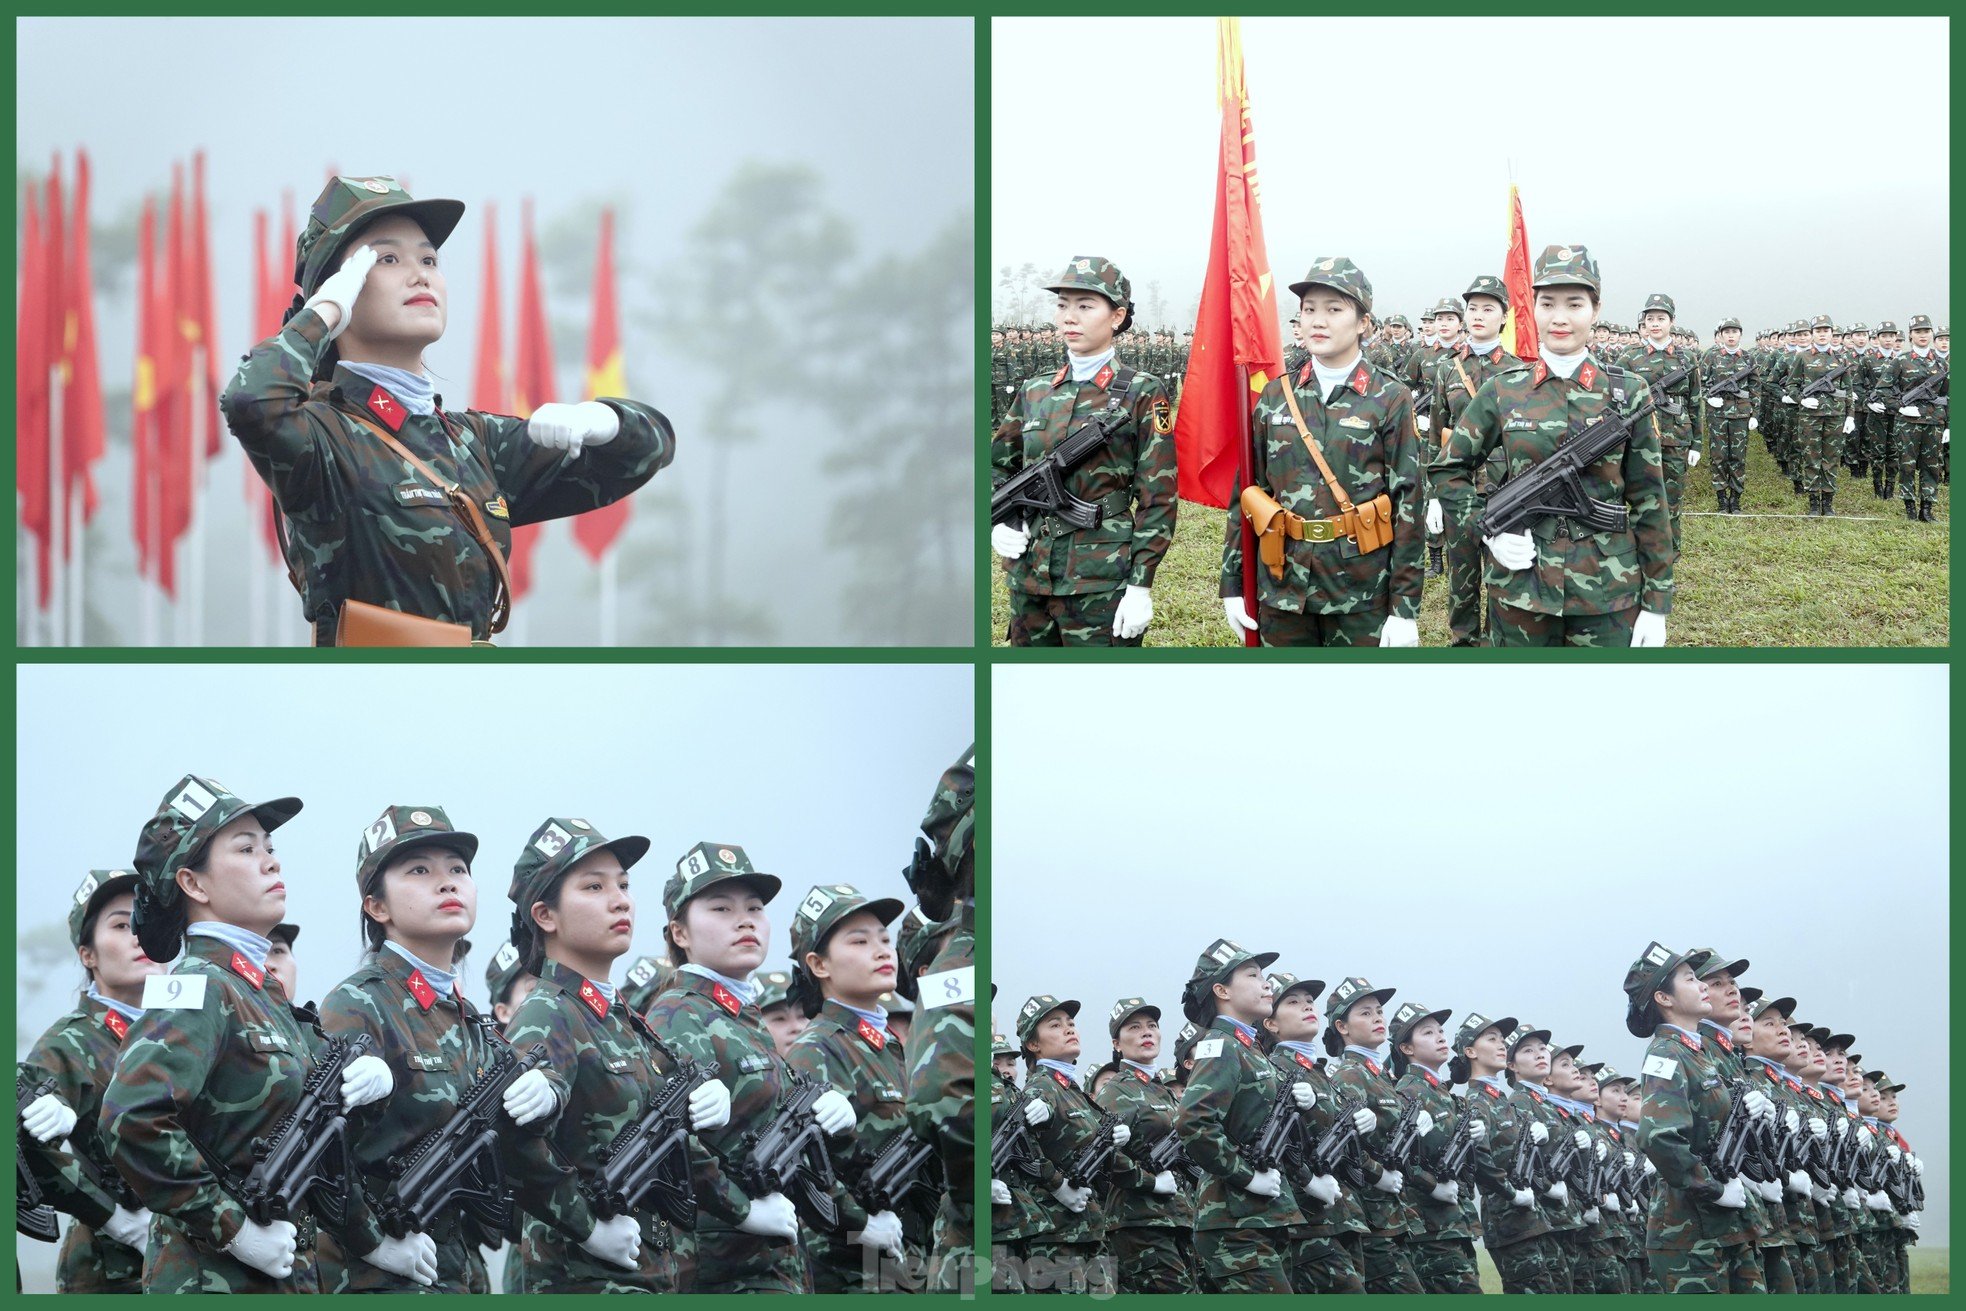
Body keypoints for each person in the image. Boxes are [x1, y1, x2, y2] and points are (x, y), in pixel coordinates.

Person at [221, 175, 676, 645]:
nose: (420, 274)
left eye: (429, 259)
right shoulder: (322, 437)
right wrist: (322, 314)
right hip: (370, 697)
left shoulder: (471, 442)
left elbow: (646, 452)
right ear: (342, 289)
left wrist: (601, 420)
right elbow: (250, 401)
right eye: (387, 259)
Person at [103, 776, 397, 1292]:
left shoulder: (259, 991)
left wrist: (366, 1083)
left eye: (270, 847)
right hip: (211, 1278)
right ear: (194, 884)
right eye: (246, 849)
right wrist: (231, 1226)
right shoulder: (198, 986)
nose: (271, 861)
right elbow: (132, 1118)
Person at [500, 818, 738, 1292]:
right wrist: (585, 1223)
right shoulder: (549, 1012)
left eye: (624, 885)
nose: (620, 900)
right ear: (545, 916)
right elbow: (512, 1143)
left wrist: (742, 1205)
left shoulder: (619, 1017)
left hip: (648, 1273)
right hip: (581, 1278)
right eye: (594, 886)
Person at [314, 806, 529, 1292]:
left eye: (457, 869)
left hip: (461, 1270)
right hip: (380, 1277)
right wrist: (372, 1239)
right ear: (377, 906)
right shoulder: (359, 1002)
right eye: (419, 871)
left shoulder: (467, 1015)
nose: (448, 882)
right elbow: (319, 1151)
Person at [1433, 244, 1673, 647]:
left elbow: (1650, 498)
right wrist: (1488, 530)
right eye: (1547, 303)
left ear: (1595, 311)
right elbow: (1448, 468)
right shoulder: (1503, 390)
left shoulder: (1628, 393)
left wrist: (1657, 602)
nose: (1560, 318)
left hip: (1608, 592)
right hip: (1520, 589)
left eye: (1575, 304)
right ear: (1533, 309)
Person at [644, 842, 848, 1292]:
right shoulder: (678, 1015)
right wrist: (742, 1208)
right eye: (720, 908)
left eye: (755, 907)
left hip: (771, 1260)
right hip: (723, 1266)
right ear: (680, 933)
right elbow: (668, 1143)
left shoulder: (741, 1016)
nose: (745, 920)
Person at [1220, 258, 1422, 647]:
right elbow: (1247, 492)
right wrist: (1232, 581)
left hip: (1360, 589)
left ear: (1363, 322)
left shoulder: (1390, 397)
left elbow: (1408, 502)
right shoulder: (1277, 395)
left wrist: (1405, 608)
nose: (1317, 321)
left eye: (1333, 309)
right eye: (1309, 310)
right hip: (1282, 584)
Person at [990, 256, 1177, 646]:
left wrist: (1141, 585)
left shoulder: (1141, 391)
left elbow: (1157, 495)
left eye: (1085, 306)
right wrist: (998, 521)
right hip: (1029, 576)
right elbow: (995, 466)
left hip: (1100, 579)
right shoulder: (1035, 390)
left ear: (1117, 316)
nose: (1069, 317)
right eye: (1062, 305)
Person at [19, 871, 163, 1292]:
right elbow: (20, 1143)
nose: (140, 934)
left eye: (146, 920)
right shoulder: (70, 1043)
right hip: (114, 1274)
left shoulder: (190, 1029)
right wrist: (117, 1220)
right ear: (89, 955)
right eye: (121, 925)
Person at [781, 883, 913, 1292]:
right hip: (848, 1267)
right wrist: (861, 1221)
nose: (881, 950)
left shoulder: (890, 1044)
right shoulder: (816, 1049)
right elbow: (797, 1162)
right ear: (820, 965)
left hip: (908, 1254)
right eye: (860, 941)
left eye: (885, 939)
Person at [1623, 941, 1772, 1292]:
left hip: (1725, 1225)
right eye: (1691, 979)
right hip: (1689, 1233)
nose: (1704, 985)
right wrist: (1714, 1187)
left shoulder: (1699, 1053)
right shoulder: (1667, 1053)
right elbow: (1658, 1136)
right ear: (1665, 998)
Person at [1174, 941, 1303, 1293]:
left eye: (1264, 976)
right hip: (1234, 1222)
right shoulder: (1220, 1045)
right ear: (1221, 990)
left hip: (1258, 1216)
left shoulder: (1250, 1048)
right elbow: (1193, 1121)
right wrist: (1246, 1176)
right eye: (1253, 975)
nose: (1267, 984)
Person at [1261, 972, 1370, 1294]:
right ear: (1271, 1024)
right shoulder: (1273, 1071)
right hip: (1306, 1221)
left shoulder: (1322, 1076)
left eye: (1309, 1001)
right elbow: (1268, 1144)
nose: (1307, 1007)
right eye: (1293, 1003)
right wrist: (1308, 1179)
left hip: (1342, 1214)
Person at [1426, 275, 1521, 644]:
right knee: (1461, 578)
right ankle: (1463, 645)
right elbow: (1435, 434)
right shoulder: (1447, 369)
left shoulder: (1517, 371)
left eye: (1488, 308)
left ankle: (1497, 643)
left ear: (1503, 317)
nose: (1478, 315)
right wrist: (1433, 493)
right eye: (1473, 308)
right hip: (1458, 489)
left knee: (1502, 574)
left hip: (1505, 488)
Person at [1010, 995, 1118, 1293]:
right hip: (1057, 1233)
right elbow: (1019, 1149)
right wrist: (1057, 1184)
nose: (1069, 1028)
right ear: (1033, 1044)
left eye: (1071, 1023)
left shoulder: (1070, 1088)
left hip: (1089, 1227)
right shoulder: (1042, 1087)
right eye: (1055, 1025)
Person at [1091, 997, 1197, 1293]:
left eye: (1152, 1026)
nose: (1146, 1032)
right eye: (1134, 1028)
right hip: (1138, 1221)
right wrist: (1149, 1182)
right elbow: (1099, 1154)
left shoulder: (1162, 1091)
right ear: (1117, 1044)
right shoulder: (1115, 1092)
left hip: (1175, 1216)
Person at [1454, 1015, 1565, 1292]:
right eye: (1492, 1039)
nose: (1502, 1045)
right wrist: (1512, 1193)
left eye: (1503, 1040)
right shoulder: (1476, 1102)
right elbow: (1481, 1160)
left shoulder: (1500, 1101)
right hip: (1508, 1219)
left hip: (1531, 1217)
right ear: (1471, 1052)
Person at [1388, 1000, 1482, 1292]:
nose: (1441, 1037)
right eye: (1428, 1033)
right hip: (1431, 1228)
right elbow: (1396, 1157)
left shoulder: (1445, 1095)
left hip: (1456, 1223)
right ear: (1407, 1048)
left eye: (1441, 1031)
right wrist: (1432, 1185)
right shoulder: (1408, 1091)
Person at [1625, 293, 1705, 543]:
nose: (1655, 323)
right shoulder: (1630, 357)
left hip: (1676, 439)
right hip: (1640, 437)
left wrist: (1697, 443)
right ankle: (1641, 550)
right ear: (1644, 323)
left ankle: (1669, 553)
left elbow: (1695, 401)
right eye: (1650, 319)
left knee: (1672, 500)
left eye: (1661, 318)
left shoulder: (1687, 358)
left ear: (1672, 321)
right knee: (1641, 497)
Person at [1779, 314, 1856, 516]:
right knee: (1811, 457)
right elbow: (1791, 385)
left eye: (1826, 331)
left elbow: (1848, 390)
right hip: (1809, 416)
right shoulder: (1802, 357)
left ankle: (1828, 502)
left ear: (1832, 333)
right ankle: (1814, 501)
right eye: (1818, 331)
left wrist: (1850, 416)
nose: (1822, 335)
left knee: (1831, 458)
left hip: (1835, 415)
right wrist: (1801, 399)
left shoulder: (1842, 358)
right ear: (1812, 334)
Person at [1883, 314, 1948, 520]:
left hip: (1934, 422)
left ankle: (1927, 510)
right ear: (1910, 335)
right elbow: (1883, 390)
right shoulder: (1900, 361)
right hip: (1908, 423)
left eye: (1926, 331)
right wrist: (1900, 408)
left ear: (1931, 334)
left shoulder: (1941, 363)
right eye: (1918, 331)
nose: (1923, 335)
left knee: (1932, 466)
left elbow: (1949, 395)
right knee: (1907, 465)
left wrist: (1949, 425)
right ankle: (1910, 508)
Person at [1702, 318, 1756, 513]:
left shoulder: (1749, 358)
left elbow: (1755, 387)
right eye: (1727, 332)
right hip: (1717, 415)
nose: (1731, 335)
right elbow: (1700, 382)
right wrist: (1708, 397)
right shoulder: (1711, 356)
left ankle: (1736, 498)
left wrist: (1754, 414)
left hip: (1741, 415)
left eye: (1734, 331)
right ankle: (1722, 500)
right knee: (1718, 457)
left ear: (1740, 334)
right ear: (1721, 335)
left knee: (1738, 457)